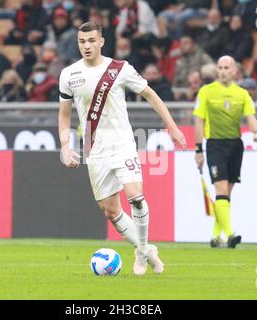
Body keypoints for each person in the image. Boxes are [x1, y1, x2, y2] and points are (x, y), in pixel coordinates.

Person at [59, 21, 186, 275]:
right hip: (94, 149)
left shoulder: (119, 69)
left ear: (102, 42)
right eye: (82, 42)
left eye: (92, 41)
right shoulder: (69, 75)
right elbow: (64, 114)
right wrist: (65, 145)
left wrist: (171, 126)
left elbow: (150, 94)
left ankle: (139, 254)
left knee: (135, 197)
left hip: (122, 143)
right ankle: (147, 249)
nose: (87, 46)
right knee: (110, 210)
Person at [193, 55, 257, 249]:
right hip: (215, 145)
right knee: (221, 189)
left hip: (235, 146)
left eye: (226, 68)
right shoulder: (206, 92)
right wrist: (198, 149)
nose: (223, 71)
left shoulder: (242, 94)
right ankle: (230, 234)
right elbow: (199, 121)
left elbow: (251, 117)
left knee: (226, 194)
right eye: (220, 67)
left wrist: (256, 131)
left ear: (234, 71)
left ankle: (216, 236)